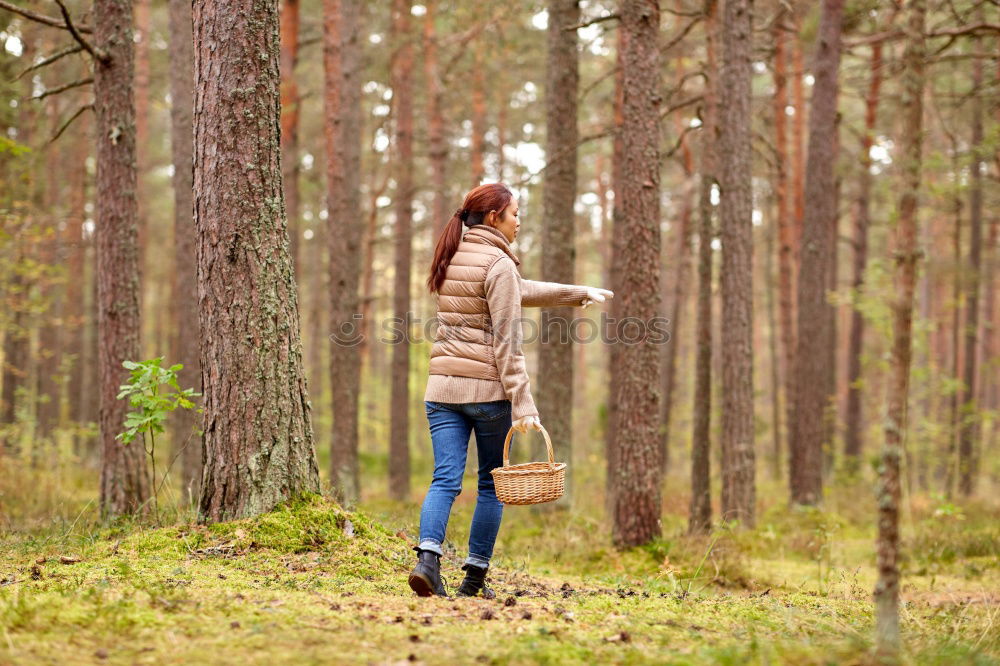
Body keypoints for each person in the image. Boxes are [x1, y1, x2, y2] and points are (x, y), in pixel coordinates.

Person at [408, 182, 613, 598]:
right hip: (486, 393)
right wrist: (523, 403)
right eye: (515, 214)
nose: (519, 222)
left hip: (442, 390)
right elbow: (507, 341)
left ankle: (427, 561)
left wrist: (577, 294)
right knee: (490, 486)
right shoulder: (497, 264)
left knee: (445, 479)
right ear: (493, 217)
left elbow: (517, 291)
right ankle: (474, 579)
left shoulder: (451, 255)